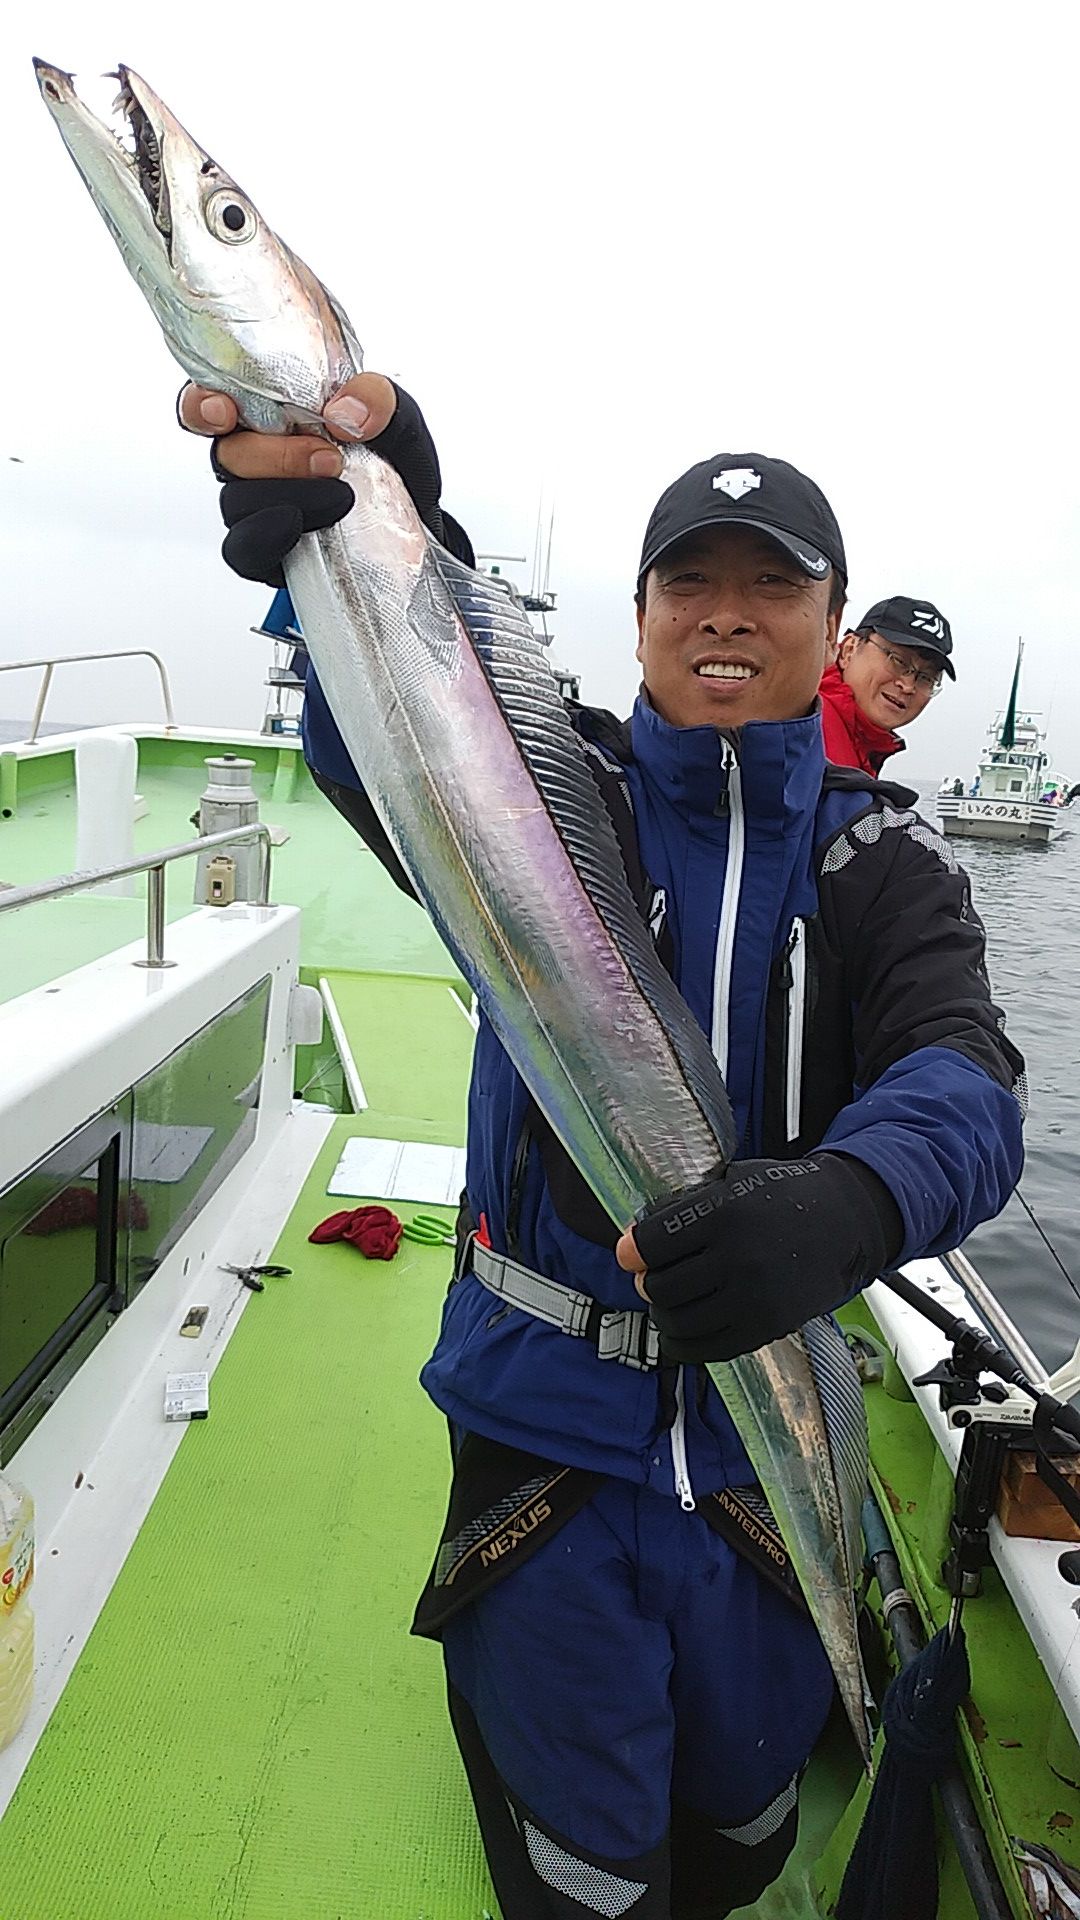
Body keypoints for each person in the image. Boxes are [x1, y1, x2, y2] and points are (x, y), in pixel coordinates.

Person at [180, 381, 1025, 1919]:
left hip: (770, 1459)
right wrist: (370, 538)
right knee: (583, 1870)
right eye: (689, 580)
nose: (728, 613)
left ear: (832, 626)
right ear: (638, 619)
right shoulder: (551, 793)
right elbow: (403, 729)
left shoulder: (884, 859)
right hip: (544, 1438)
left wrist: (846, 1202)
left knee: (745, 1829)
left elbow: (965, 1081)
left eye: (773, 583)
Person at [819, 596, 955, 774]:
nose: (908, 686)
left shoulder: (861, 745)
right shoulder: (804, 720)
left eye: (926, 678)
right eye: (898, 661)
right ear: (849, 650)